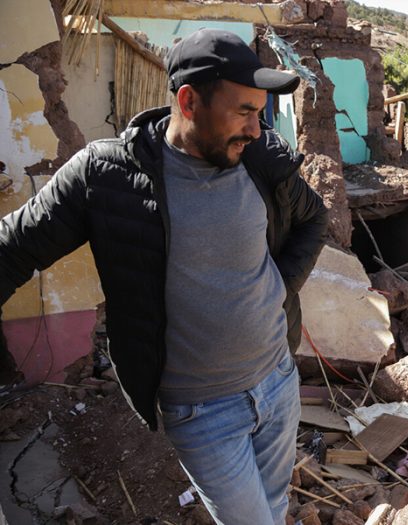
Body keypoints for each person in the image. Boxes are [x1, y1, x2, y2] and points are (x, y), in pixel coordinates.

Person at [0, 29, 328, 525]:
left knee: (275, 506)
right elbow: (13, 247)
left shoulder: (260, 161)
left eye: (259, 114)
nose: (256, 129)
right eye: (243, 111)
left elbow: (313, 218)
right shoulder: (107, 178)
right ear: (189, 101)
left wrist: (279, 289)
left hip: (277, 382)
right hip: (202, 413)